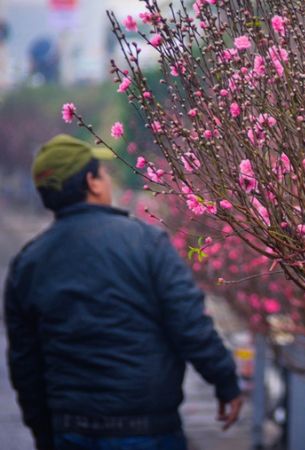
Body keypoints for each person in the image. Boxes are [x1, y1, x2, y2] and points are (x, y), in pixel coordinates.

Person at [4, 135, 243, 450]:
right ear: (92, 182)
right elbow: (189, 324)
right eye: (102, 173)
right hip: (148, 428)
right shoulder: (146, 244)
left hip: (71, 429)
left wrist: (44, 432)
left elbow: (25, 363)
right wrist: (225, 382)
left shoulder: (27, 265)